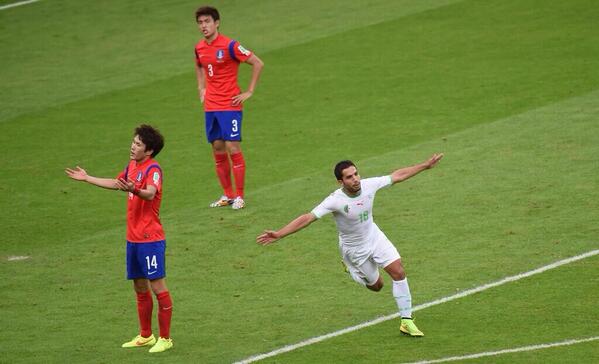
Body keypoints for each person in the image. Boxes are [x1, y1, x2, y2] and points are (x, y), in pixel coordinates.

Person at [257, 154, 444, 337]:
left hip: (374, 236)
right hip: (354, 250)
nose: (355, 179)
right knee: (377, 286)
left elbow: (397, 175)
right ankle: (352, 270)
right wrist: (280, 233)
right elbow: (308, 218)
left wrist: (424, 165)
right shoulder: (335, 200)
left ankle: (406, 321)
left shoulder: (369, 185)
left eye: (356, 174)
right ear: (340, 182)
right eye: (349, 177)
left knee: (398, 272)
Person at [65, 124, 173, 353]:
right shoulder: (132, 165)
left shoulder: (154, 169)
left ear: (149, 150)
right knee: (139, 286)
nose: (132, 147)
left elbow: (151, 192)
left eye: (138, 145)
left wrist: (134, 190)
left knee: (157, 286)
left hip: (150, 238)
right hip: (133, 238)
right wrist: (87, 178)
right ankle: (146, 335)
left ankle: (165, 338)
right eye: (133, 142)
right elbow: (117, 183)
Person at [194, 5, 264, 210]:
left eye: (207, 21)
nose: (203, 26)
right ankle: (228, 194)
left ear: (217, 23)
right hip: (211, 107)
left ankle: (240, 197)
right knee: (217, 147)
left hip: (230, 105)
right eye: (200, 23)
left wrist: (249, 91)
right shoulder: (199, 47)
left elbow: (257, 63)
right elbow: (199, 65)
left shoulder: (230, 46)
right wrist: (201, 87)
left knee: (233, 147)